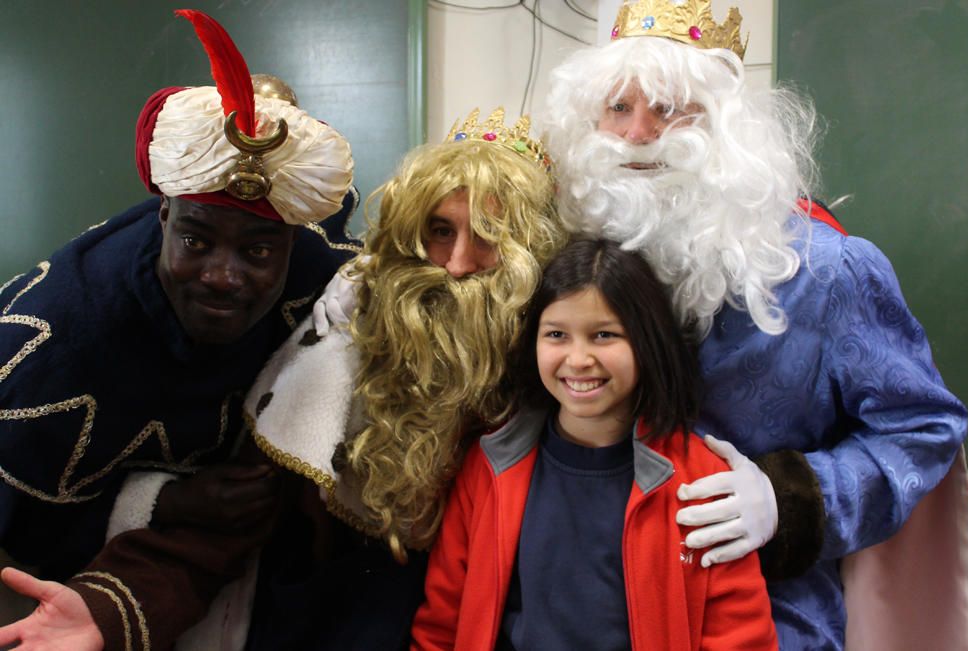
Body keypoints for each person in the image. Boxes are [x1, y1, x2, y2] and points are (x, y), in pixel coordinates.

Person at [0, 107, 567, 650]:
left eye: (489, 234)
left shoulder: (564, 370)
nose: (458, 263)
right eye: (440, 231)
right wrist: (106, 610)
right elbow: (227, 523)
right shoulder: (349, 343)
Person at [541, 0, 968, 649]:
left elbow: (922, 427)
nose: (637, 134)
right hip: (592, 612)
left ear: (727, 125)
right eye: (617, 108)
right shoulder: (570, 261)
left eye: (667, 107)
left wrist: (792, 500)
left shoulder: (829, 272)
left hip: (770, 620)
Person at [0, 9, 358, 650]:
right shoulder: (57, 344)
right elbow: (22, 531)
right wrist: (162, 501)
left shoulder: (317, 272)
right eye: (196, 239)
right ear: (163, 216)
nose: (224, 277)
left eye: (257, 251)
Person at [411, 238, 777, 651]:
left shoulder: (702, 482)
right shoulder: (489, 465)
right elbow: (442, 624)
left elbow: (743, 639)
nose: (578, 358)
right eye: (556, 335)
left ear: (646, 342)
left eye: (604, 335)